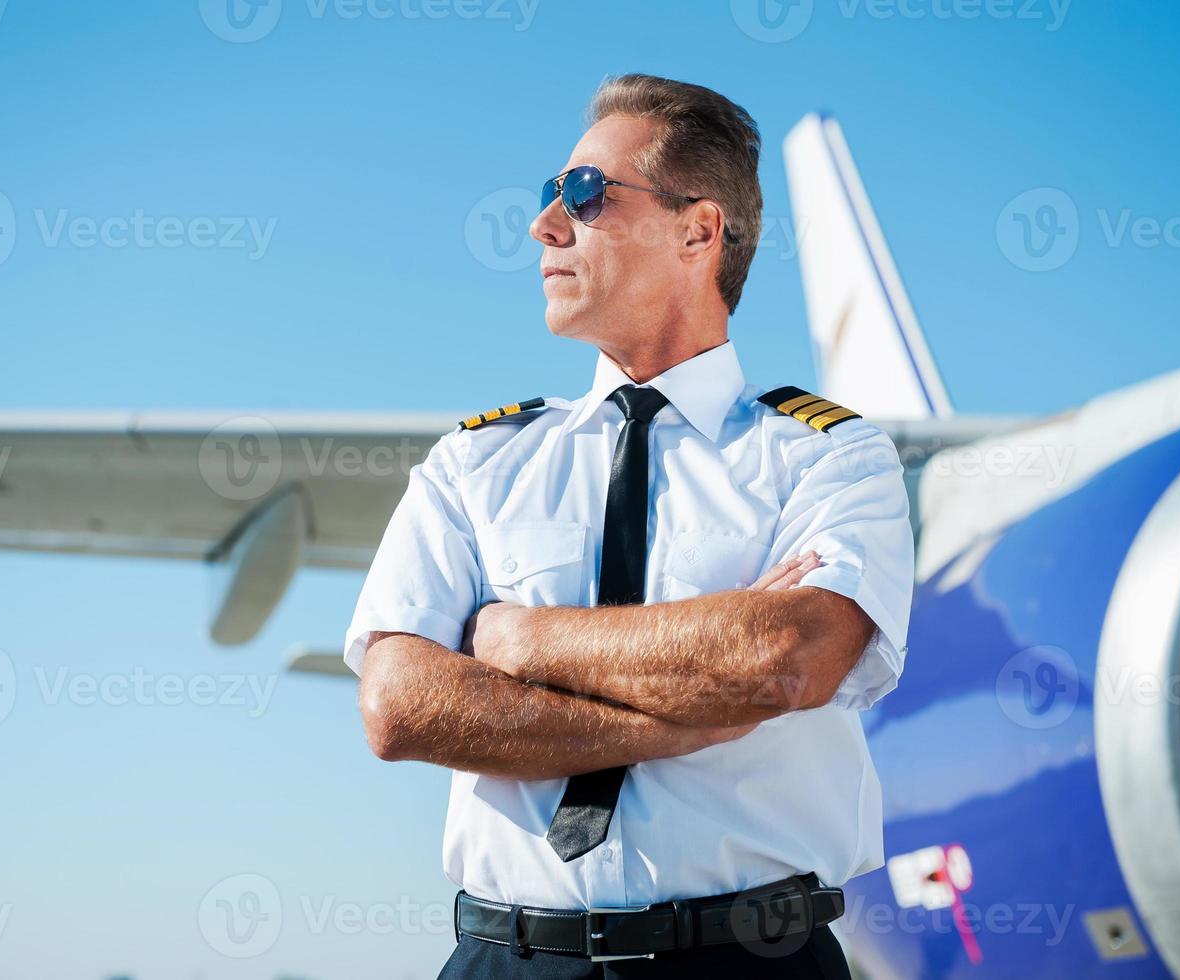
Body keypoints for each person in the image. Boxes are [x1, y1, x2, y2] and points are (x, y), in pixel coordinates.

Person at [343, 73, 914, 978]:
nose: (543, 224)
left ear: (698, 228)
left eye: (584, 194)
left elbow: (782, 659)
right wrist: (693, 715)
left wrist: (517, 638)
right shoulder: (475, 460)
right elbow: (400, 707)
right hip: (507, 958)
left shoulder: (827, 456)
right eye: (547, 195)